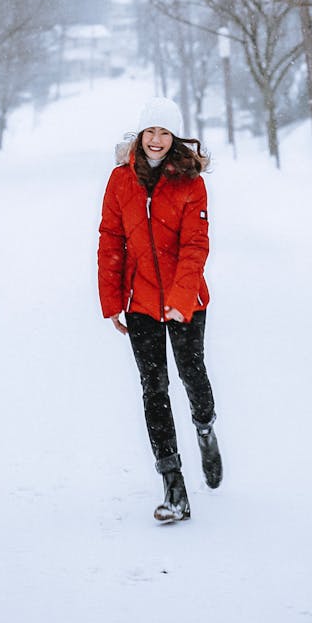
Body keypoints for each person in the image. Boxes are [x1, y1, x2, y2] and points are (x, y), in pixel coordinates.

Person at [97, 97, 222, 523]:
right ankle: (174, 488)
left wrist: (180, 300)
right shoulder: (120, 181)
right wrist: (113, 302)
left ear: (175, 138)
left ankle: (205, 429)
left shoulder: (191, 182)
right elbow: (111, 240)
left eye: (164, 132)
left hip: (187, 301)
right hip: (140, 303)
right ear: (140, 136)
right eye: (150, 131)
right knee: (154, 389)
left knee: (192, 375)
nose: (156, 140)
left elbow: (195, 246)